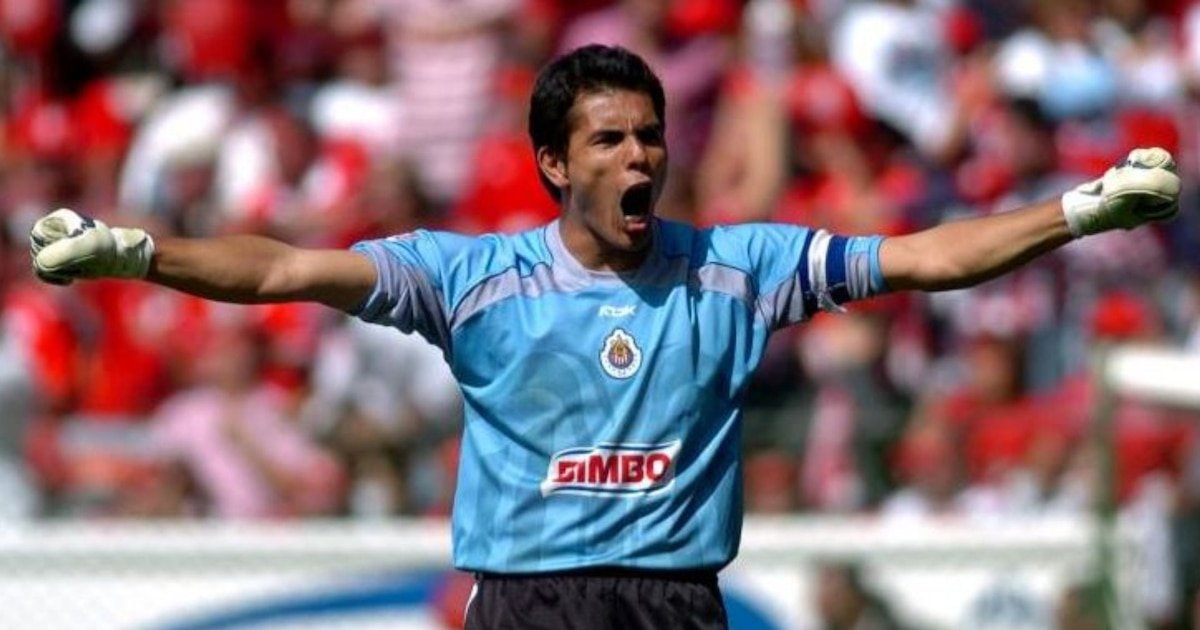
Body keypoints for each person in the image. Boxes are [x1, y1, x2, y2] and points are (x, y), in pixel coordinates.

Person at [28, 44, 1182, 629]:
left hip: (678, 602)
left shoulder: (739, 269)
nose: (641, 157)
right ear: (552, 163)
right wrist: (138, 252)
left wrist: (1081, 209)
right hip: (530, 608)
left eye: (650, 136)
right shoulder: (471, 280)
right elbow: (284, 267)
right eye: (611, 141)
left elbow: (926, 256)